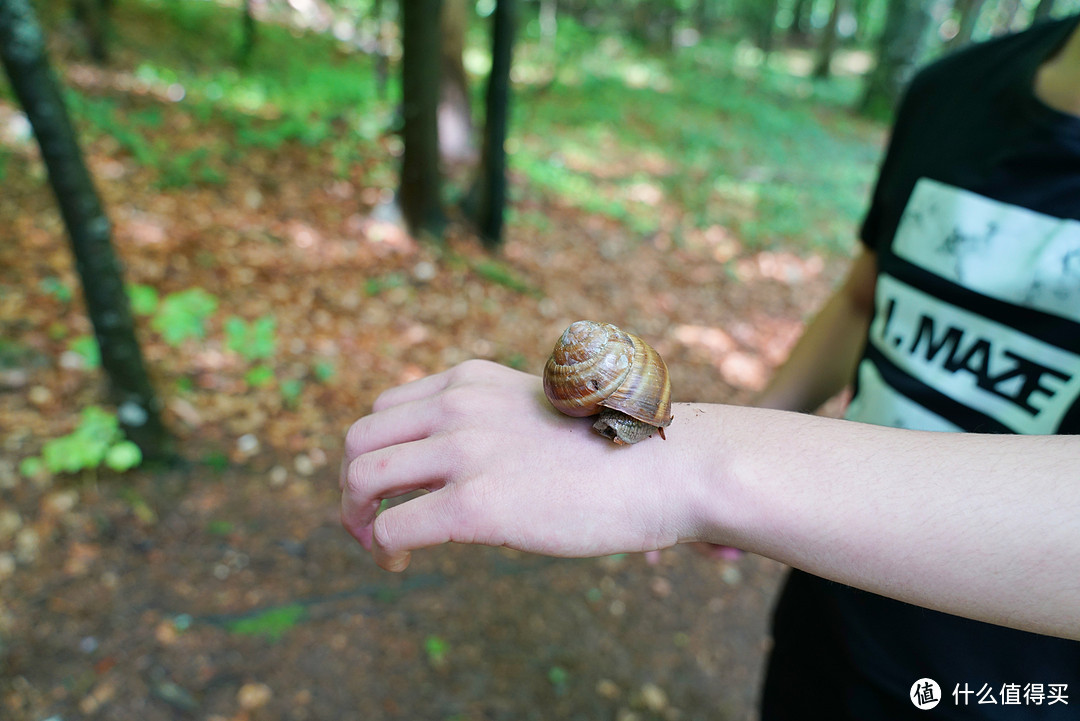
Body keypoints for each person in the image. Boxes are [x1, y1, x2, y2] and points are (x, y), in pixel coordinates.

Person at [340, 13, 1080, 715]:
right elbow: (864, 299)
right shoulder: (951, 91)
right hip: (831, 591)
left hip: (1022, 677)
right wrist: (759, 427)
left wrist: (710, 471)